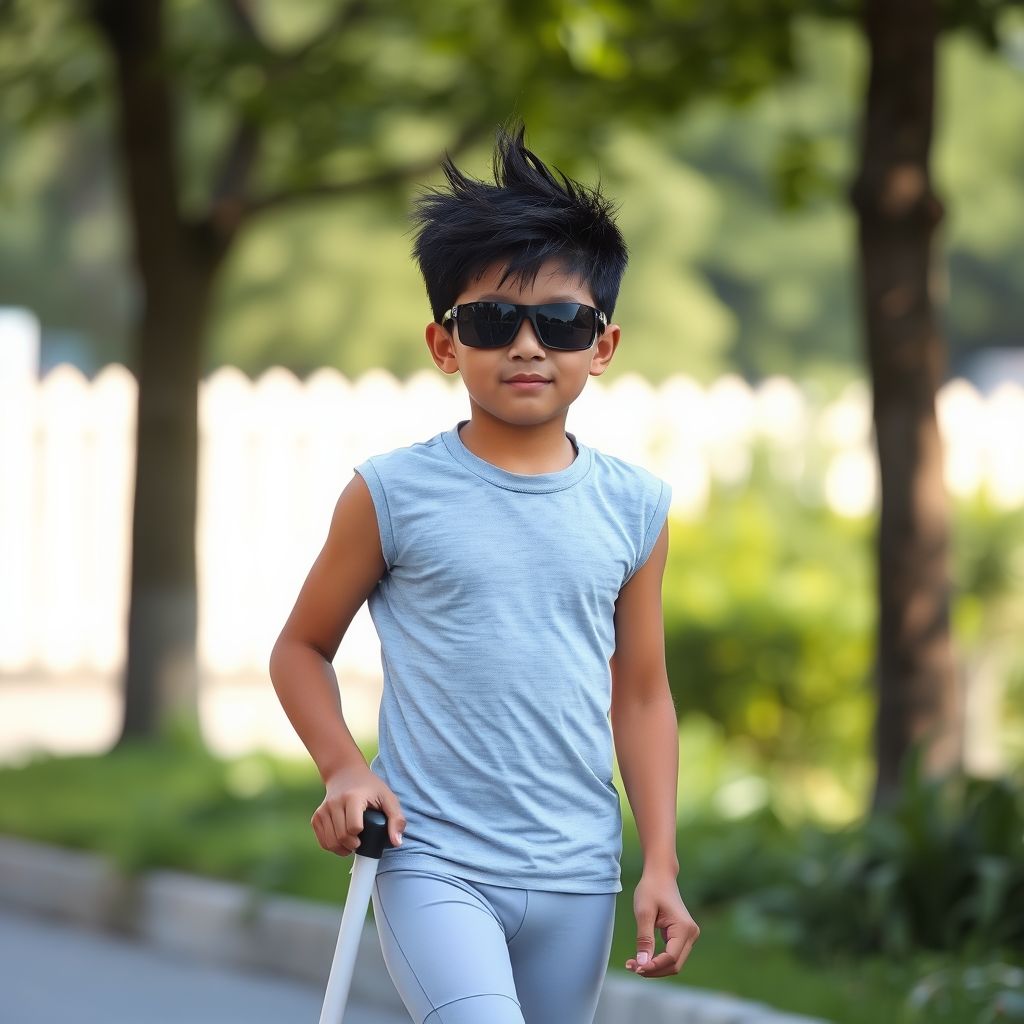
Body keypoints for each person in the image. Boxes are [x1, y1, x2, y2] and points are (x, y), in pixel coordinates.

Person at [270, 125, 699, 1024]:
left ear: (605, 343)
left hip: (579, 871)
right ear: (444, 342)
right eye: (493, 320)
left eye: (562, 321)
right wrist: (343, 768)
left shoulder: (637, 506)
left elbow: (644, 694)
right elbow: (301, 648)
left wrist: (658, 860)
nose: (529, 345)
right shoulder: (391, 493)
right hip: (434, 860)